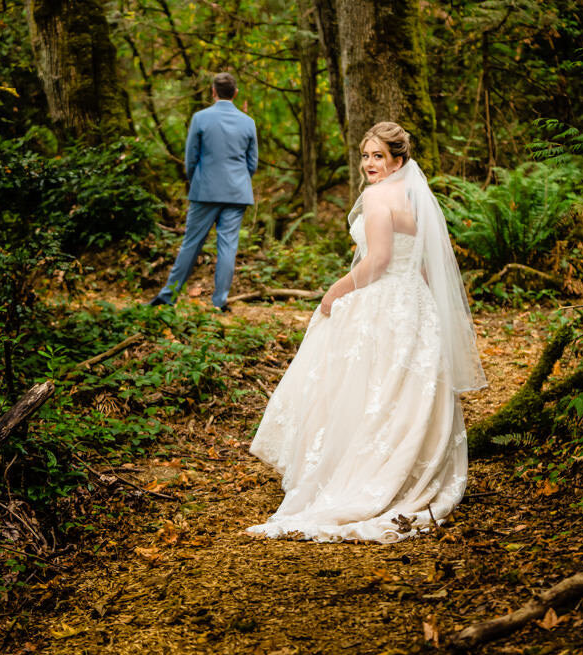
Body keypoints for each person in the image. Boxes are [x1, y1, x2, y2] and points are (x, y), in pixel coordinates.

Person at [247, 122, 487, 543]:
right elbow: (426, 264)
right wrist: (428, 309)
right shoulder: (416, 197)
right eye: (365, 155)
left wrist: (335, 291)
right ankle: (401, 472)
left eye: (378, 156)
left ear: (398, 159)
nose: (369, 164)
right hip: (414, 303)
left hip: (385, 301)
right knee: (394, 390)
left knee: (368, 387)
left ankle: (360, 474)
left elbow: (377, 261)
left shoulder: (378, 197)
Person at [150, 72, 258, 311]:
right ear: (235, 93)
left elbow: (190, 158)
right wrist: (239, 182)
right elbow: (252, 163)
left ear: (213, 92)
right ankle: (220, 302)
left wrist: (197, 180)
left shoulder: (200, 118)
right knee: (228, 246)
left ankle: (168, 296)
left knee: (191, 243)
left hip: (205, 191)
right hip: (237, 193)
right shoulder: (248, 122)